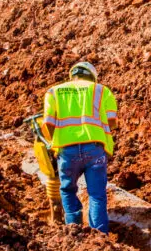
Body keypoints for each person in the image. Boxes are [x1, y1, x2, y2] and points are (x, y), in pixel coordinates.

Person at [41, 61, 118, 235]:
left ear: (72, 75)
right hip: (95, 150)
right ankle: (99, 237)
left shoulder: (53, 92)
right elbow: (112, 121)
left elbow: (47, 123)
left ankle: (73, 231)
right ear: (92, 77)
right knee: (97, 195)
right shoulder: (101, 90)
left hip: (67, 152)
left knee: (67, 190)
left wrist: (55, 144)